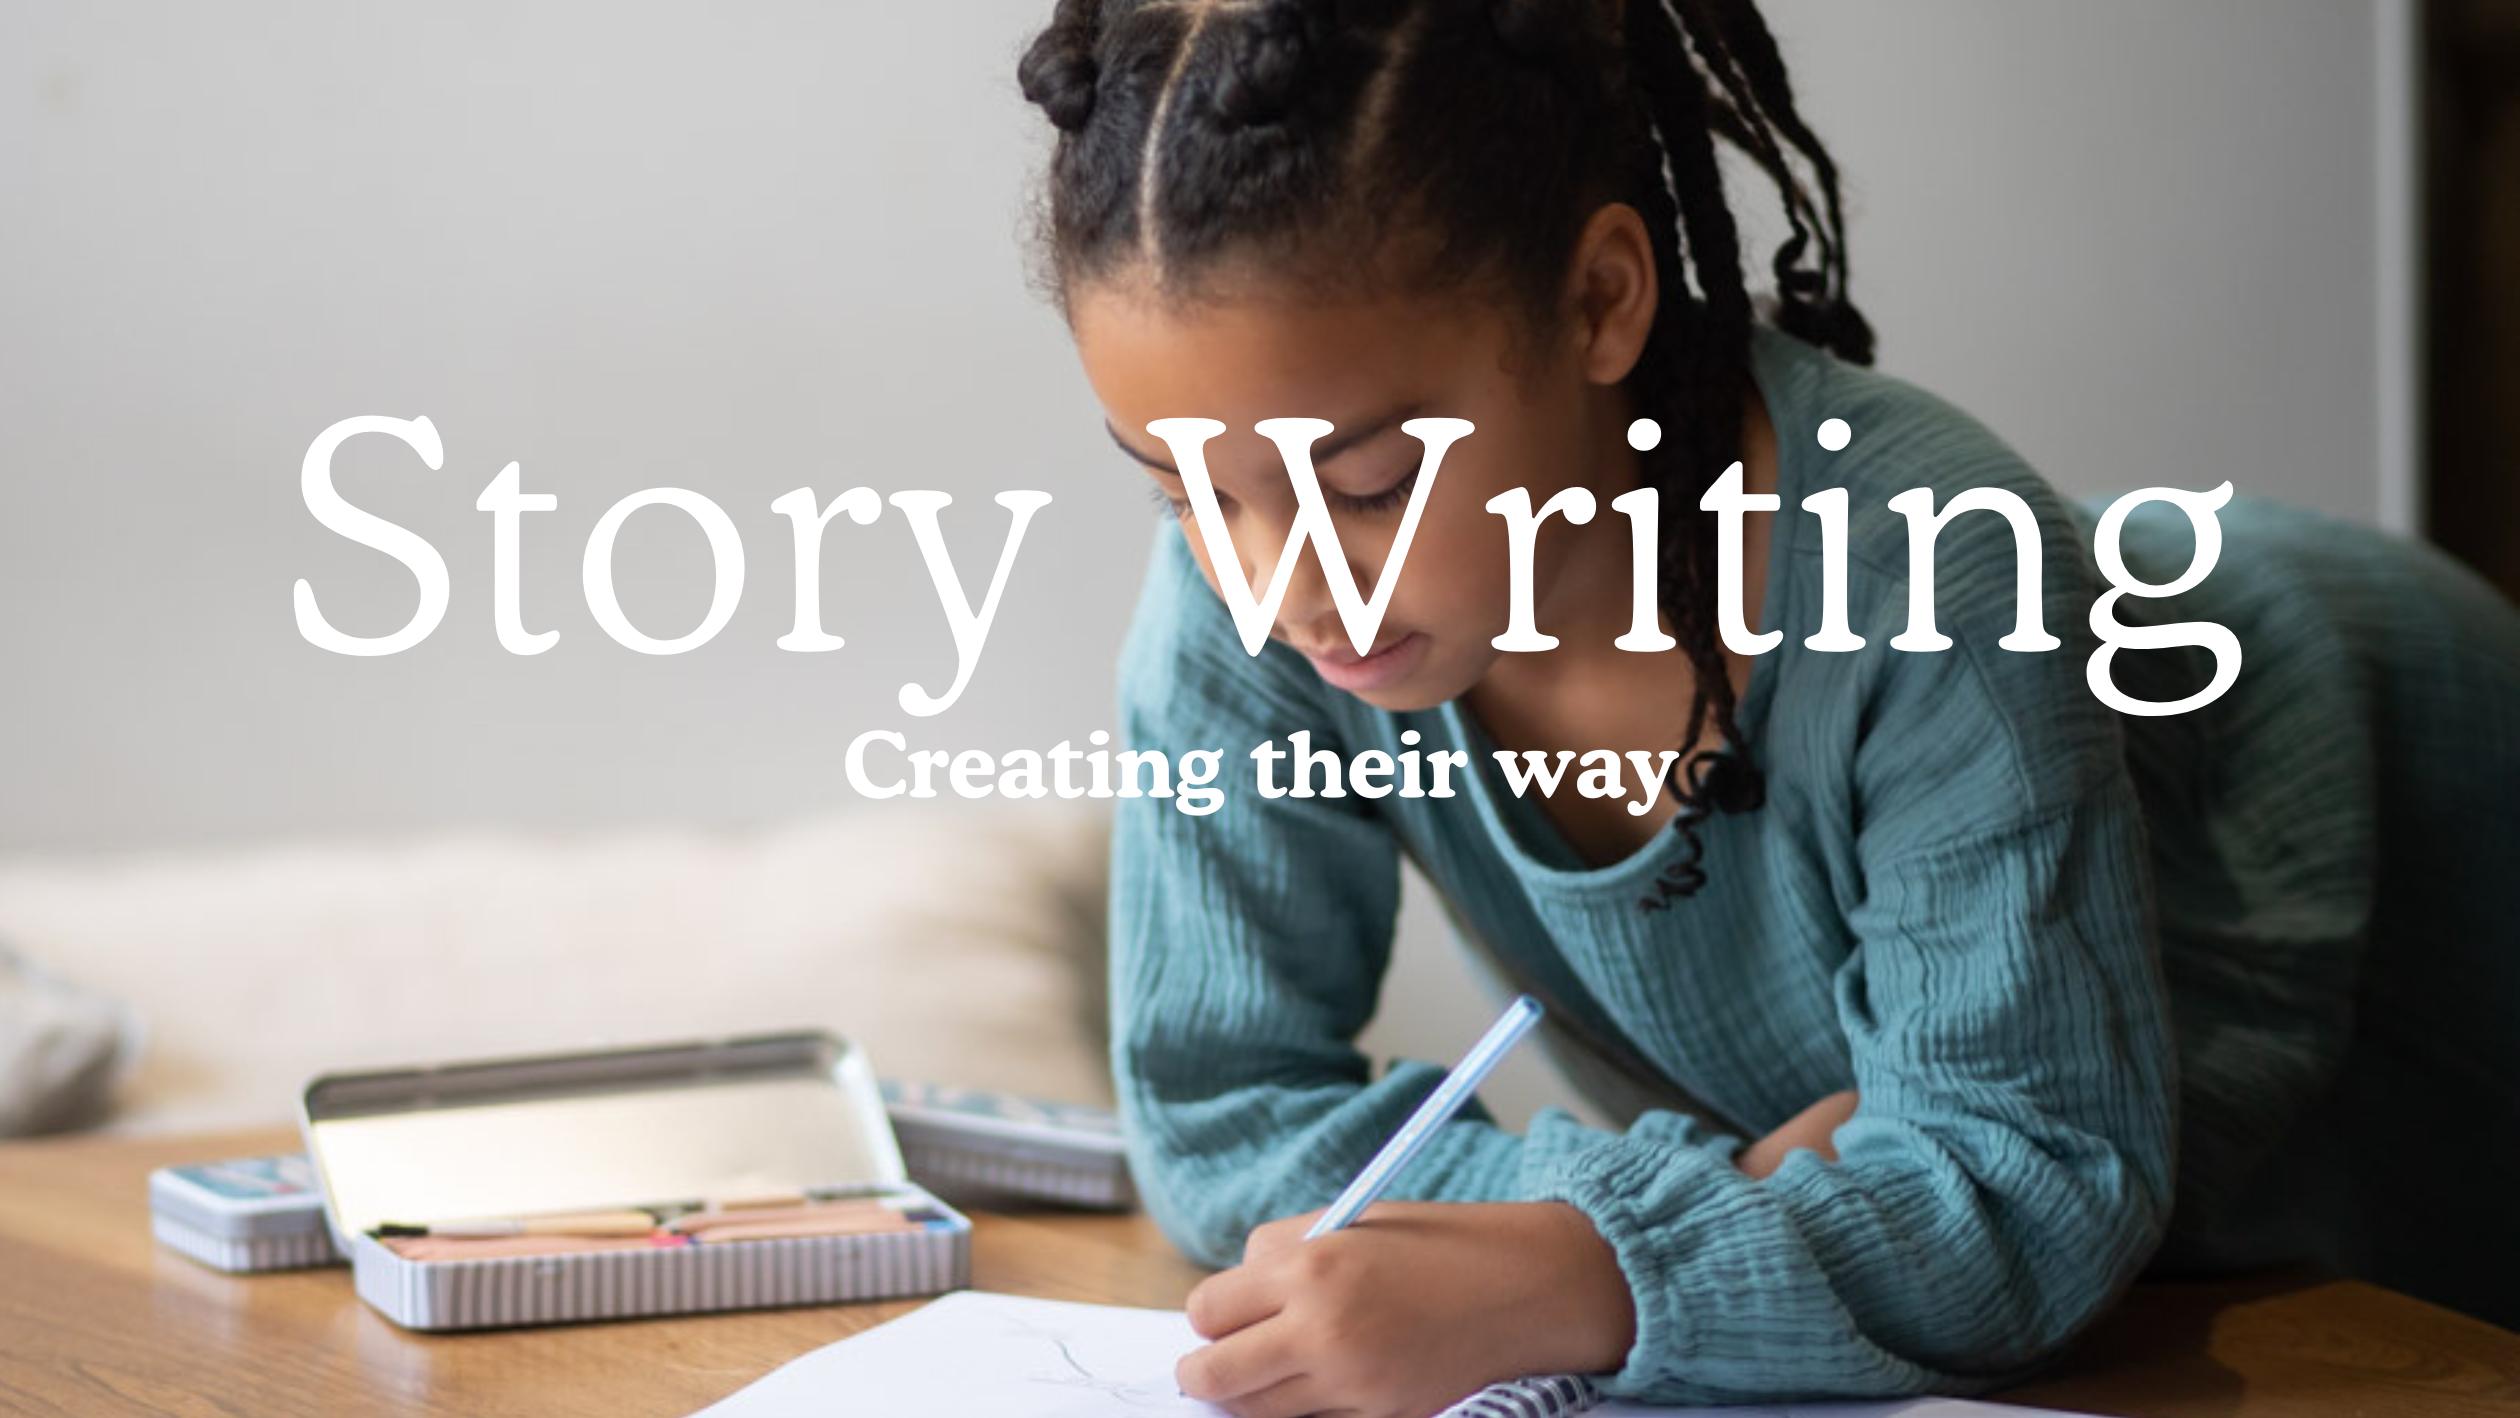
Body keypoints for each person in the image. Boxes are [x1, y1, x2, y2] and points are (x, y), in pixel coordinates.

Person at [1013, 0, 2520, 1411]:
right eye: (1185, 490)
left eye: (1372, 483)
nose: (1284, 585)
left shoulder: (1934, 565)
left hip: (2395, 812)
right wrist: (1693, 1194)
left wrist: (1599, 1264)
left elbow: (2032, 1176)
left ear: (1599, 298)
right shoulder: (1244, 600)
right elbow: (1219, 1116)